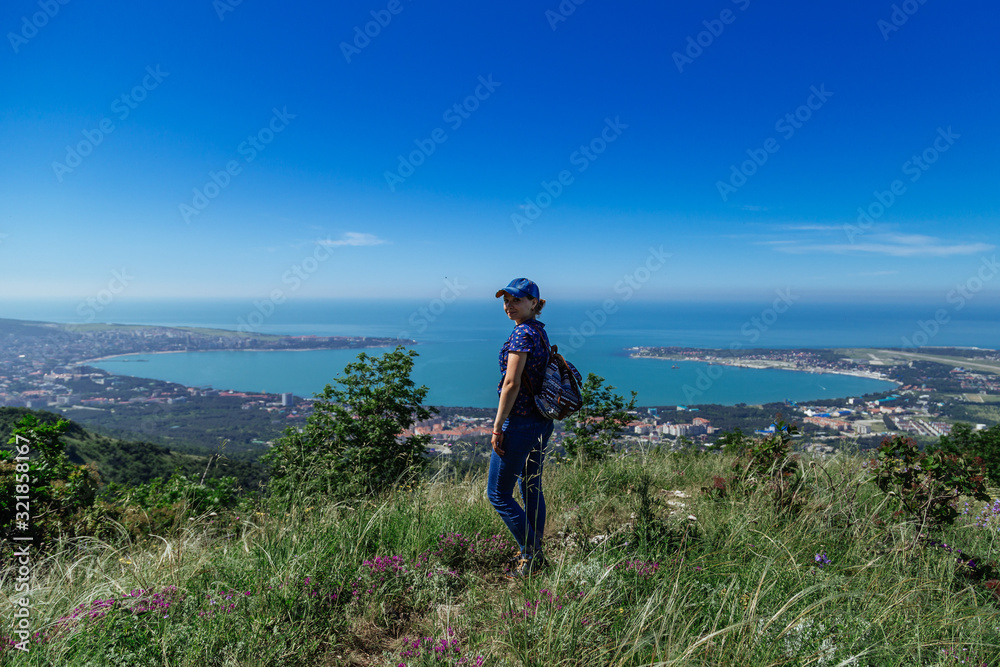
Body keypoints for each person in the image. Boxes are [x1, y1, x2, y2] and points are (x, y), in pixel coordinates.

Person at [488, 277, 554, 578]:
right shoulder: (539, 332)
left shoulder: (521, 336)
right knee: (530, 487)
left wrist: (498, 425)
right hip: (541, 421)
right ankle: (533, 552)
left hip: (520, 423)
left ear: (534, 304)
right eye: (506, 300)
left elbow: (512, 383)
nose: (509, 305)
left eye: (516, 300)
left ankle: (532, 555)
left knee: (498, 494)